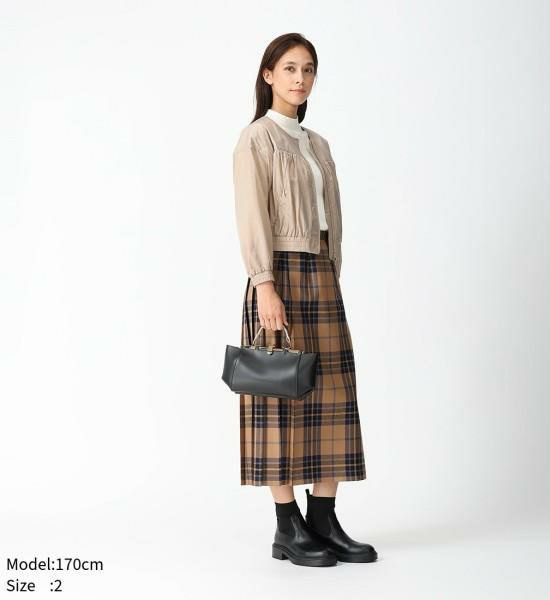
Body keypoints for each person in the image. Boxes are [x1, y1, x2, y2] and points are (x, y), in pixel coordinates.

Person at [232, 33, 377, 567]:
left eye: (308, 69)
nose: (300, 78)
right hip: (279, 273)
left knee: (333, 394)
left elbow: (330, 217)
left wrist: (331, 269)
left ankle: (324, 520)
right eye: (289, 68)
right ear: (268, 75)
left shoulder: (318, 144)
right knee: (277, 397)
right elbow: (252, 214)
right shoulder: (256, 139)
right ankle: (287, 527)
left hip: (320, 273)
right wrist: (264, 282)